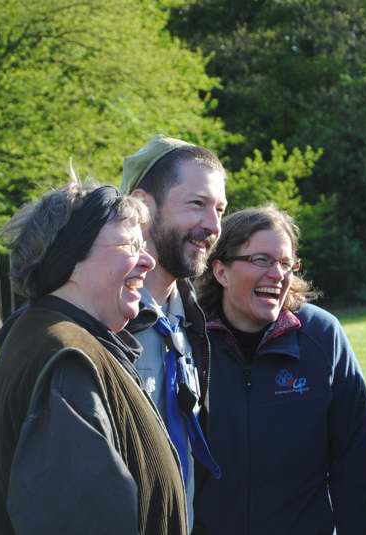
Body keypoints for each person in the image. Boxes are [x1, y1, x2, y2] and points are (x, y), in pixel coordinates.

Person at [0, 184, 187, 535]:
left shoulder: (47, 337)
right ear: (72, 260)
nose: (148, 260)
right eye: (129, 245)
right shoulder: (66, 359)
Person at [193, 205, 366, 535]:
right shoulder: (187, 339)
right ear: (221, 271)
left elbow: (356, 464)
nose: (277, 274)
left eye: (286, 263)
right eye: (261, 260)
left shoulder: (322, 337)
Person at [121, 135, 228, 529]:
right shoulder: (98, 323)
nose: (213, 226)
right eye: (197, 204)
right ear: (143, 206)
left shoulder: (190, 324)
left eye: (220, 209)